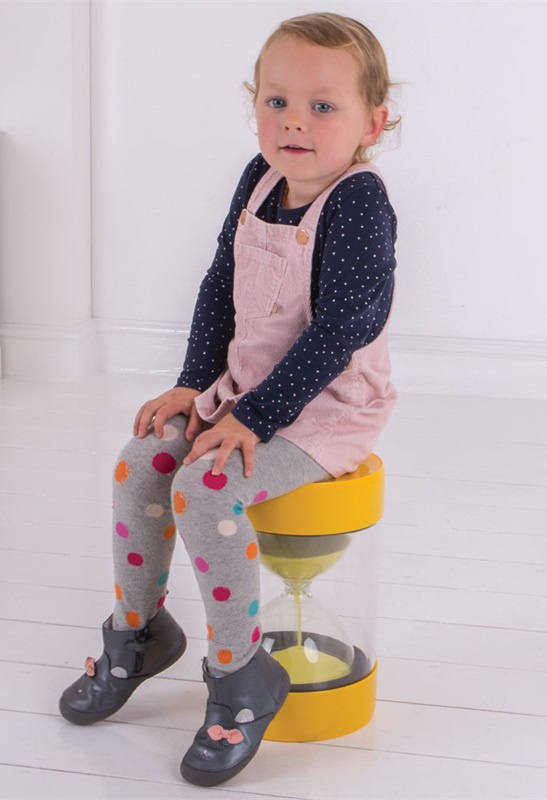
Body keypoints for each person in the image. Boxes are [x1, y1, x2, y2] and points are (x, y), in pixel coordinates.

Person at [59, 11, 400, 787]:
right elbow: (223, 281)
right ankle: (139, 631)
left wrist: (254, 418)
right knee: (143, 461)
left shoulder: (357, 204)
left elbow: (340, 331)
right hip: (245, 393)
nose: (294, 122)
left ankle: (240, 671)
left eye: (322, 106)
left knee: (207, 489)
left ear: (372, 123)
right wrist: (195, 382)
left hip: (325, 410)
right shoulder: (260, 178)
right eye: (276, 101)